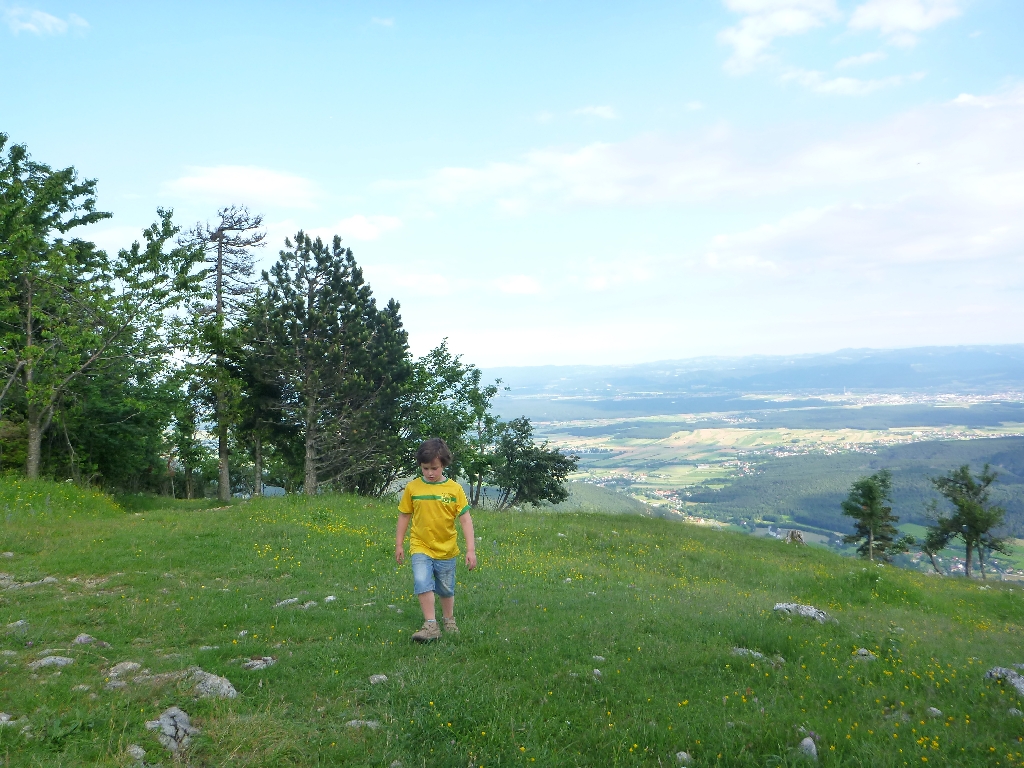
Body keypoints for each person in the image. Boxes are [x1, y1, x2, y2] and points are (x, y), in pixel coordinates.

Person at [395, 437, 477, 642]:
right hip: (420, 545)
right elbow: (404, 515)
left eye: (434, 468)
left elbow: (465, 519)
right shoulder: (413, 488)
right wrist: (399, 544)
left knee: (446, 588)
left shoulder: (454, 489)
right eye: (425, 468)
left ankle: (449, 620)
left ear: (443, 465)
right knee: (422, 582)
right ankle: (431, 625)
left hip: (447, 548)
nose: (430, 473)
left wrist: (470, 549)